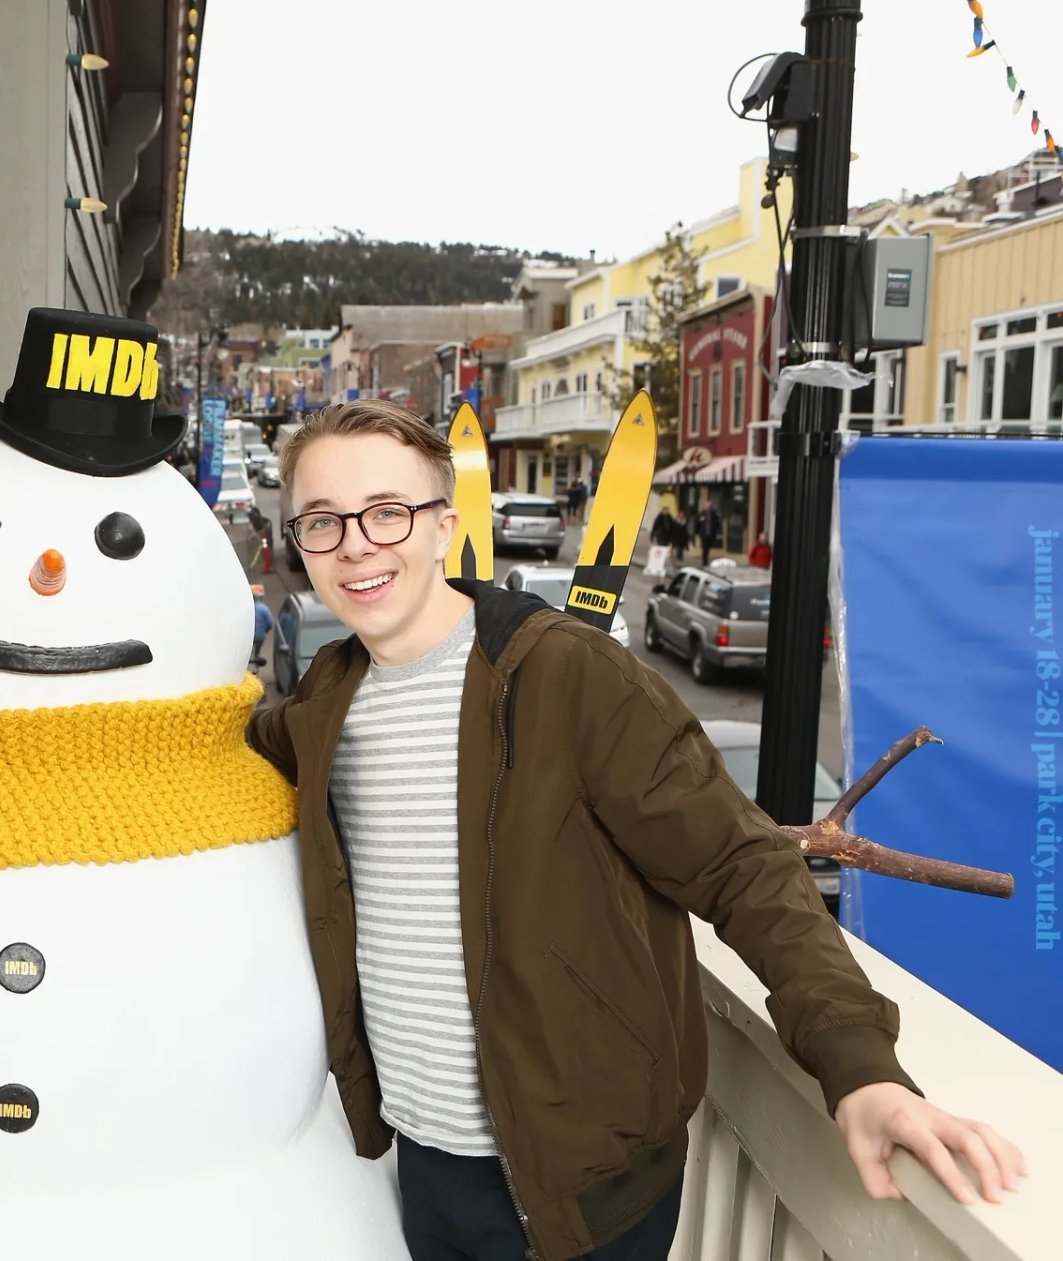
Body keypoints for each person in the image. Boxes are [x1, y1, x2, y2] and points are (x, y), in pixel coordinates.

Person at [249, 399, 1023, 1261]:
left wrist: (862, 1068)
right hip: (422, 1160)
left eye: (386, 512)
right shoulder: (323, 702)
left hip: (590, 1184)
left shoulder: (565, 677)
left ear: (444, 528)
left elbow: (743, 868)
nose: (355, 543)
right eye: (322, 521)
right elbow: (206, 744)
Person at [252, 582, 274, 667]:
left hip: (248, 636)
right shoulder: (263, 608)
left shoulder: (244, 608)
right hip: (260, 635)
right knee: (257, 652)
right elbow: (270, 623)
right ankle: (256, 668)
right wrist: (265, 631)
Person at [697, 499, 722, 566]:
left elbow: (717, 523)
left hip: (711, 533)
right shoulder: (702, 513)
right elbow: (698, 523)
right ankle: (704, 561)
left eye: (710, 505)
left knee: (708, 548)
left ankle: (706, 559)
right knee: (704, 548)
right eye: (707, 505)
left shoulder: (714, 514)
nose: (708, 506)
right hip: (704, 533)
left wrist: (717, 531)